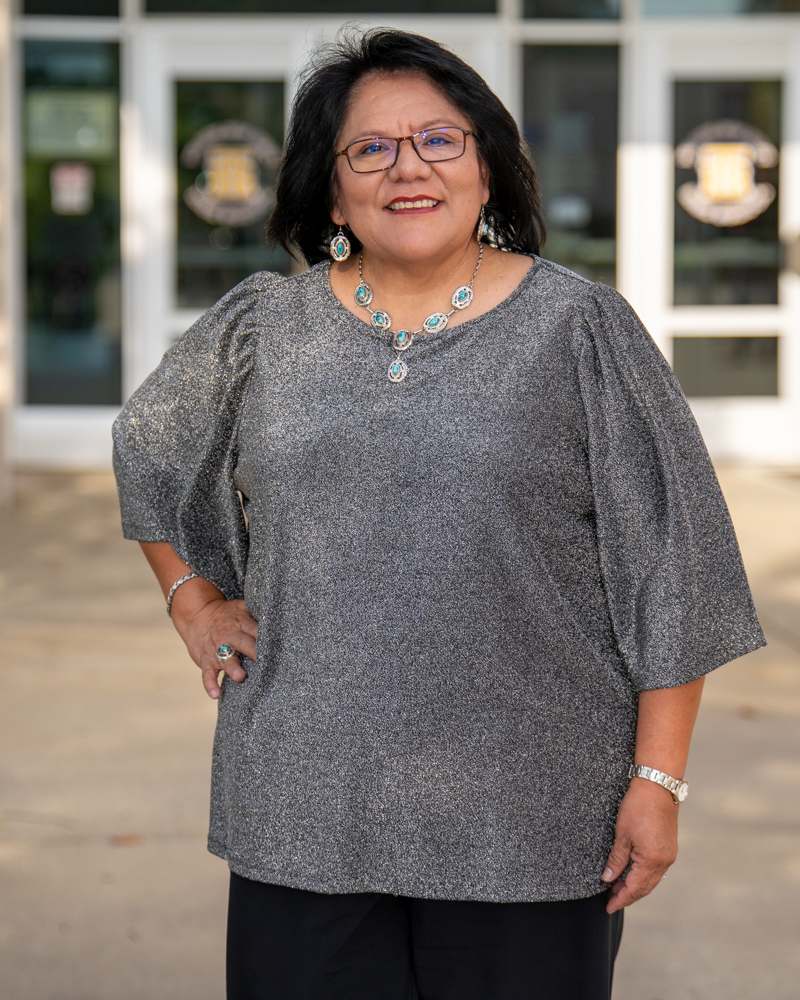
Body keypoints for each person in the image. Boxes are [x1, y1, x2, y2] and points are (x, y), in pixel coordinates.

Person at [111, 25, 767, 1000]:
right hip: (303, 808)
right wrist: (191, 598)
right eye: (369, 148)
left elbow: (673, 564)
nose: (407, 168)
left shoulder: (578, 329)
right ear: (331, 192)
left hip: (530, 819)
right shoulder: (264, 326)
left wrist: (658, 780)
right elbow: (148, 444)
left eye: (438, 140)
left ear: (487, 168)